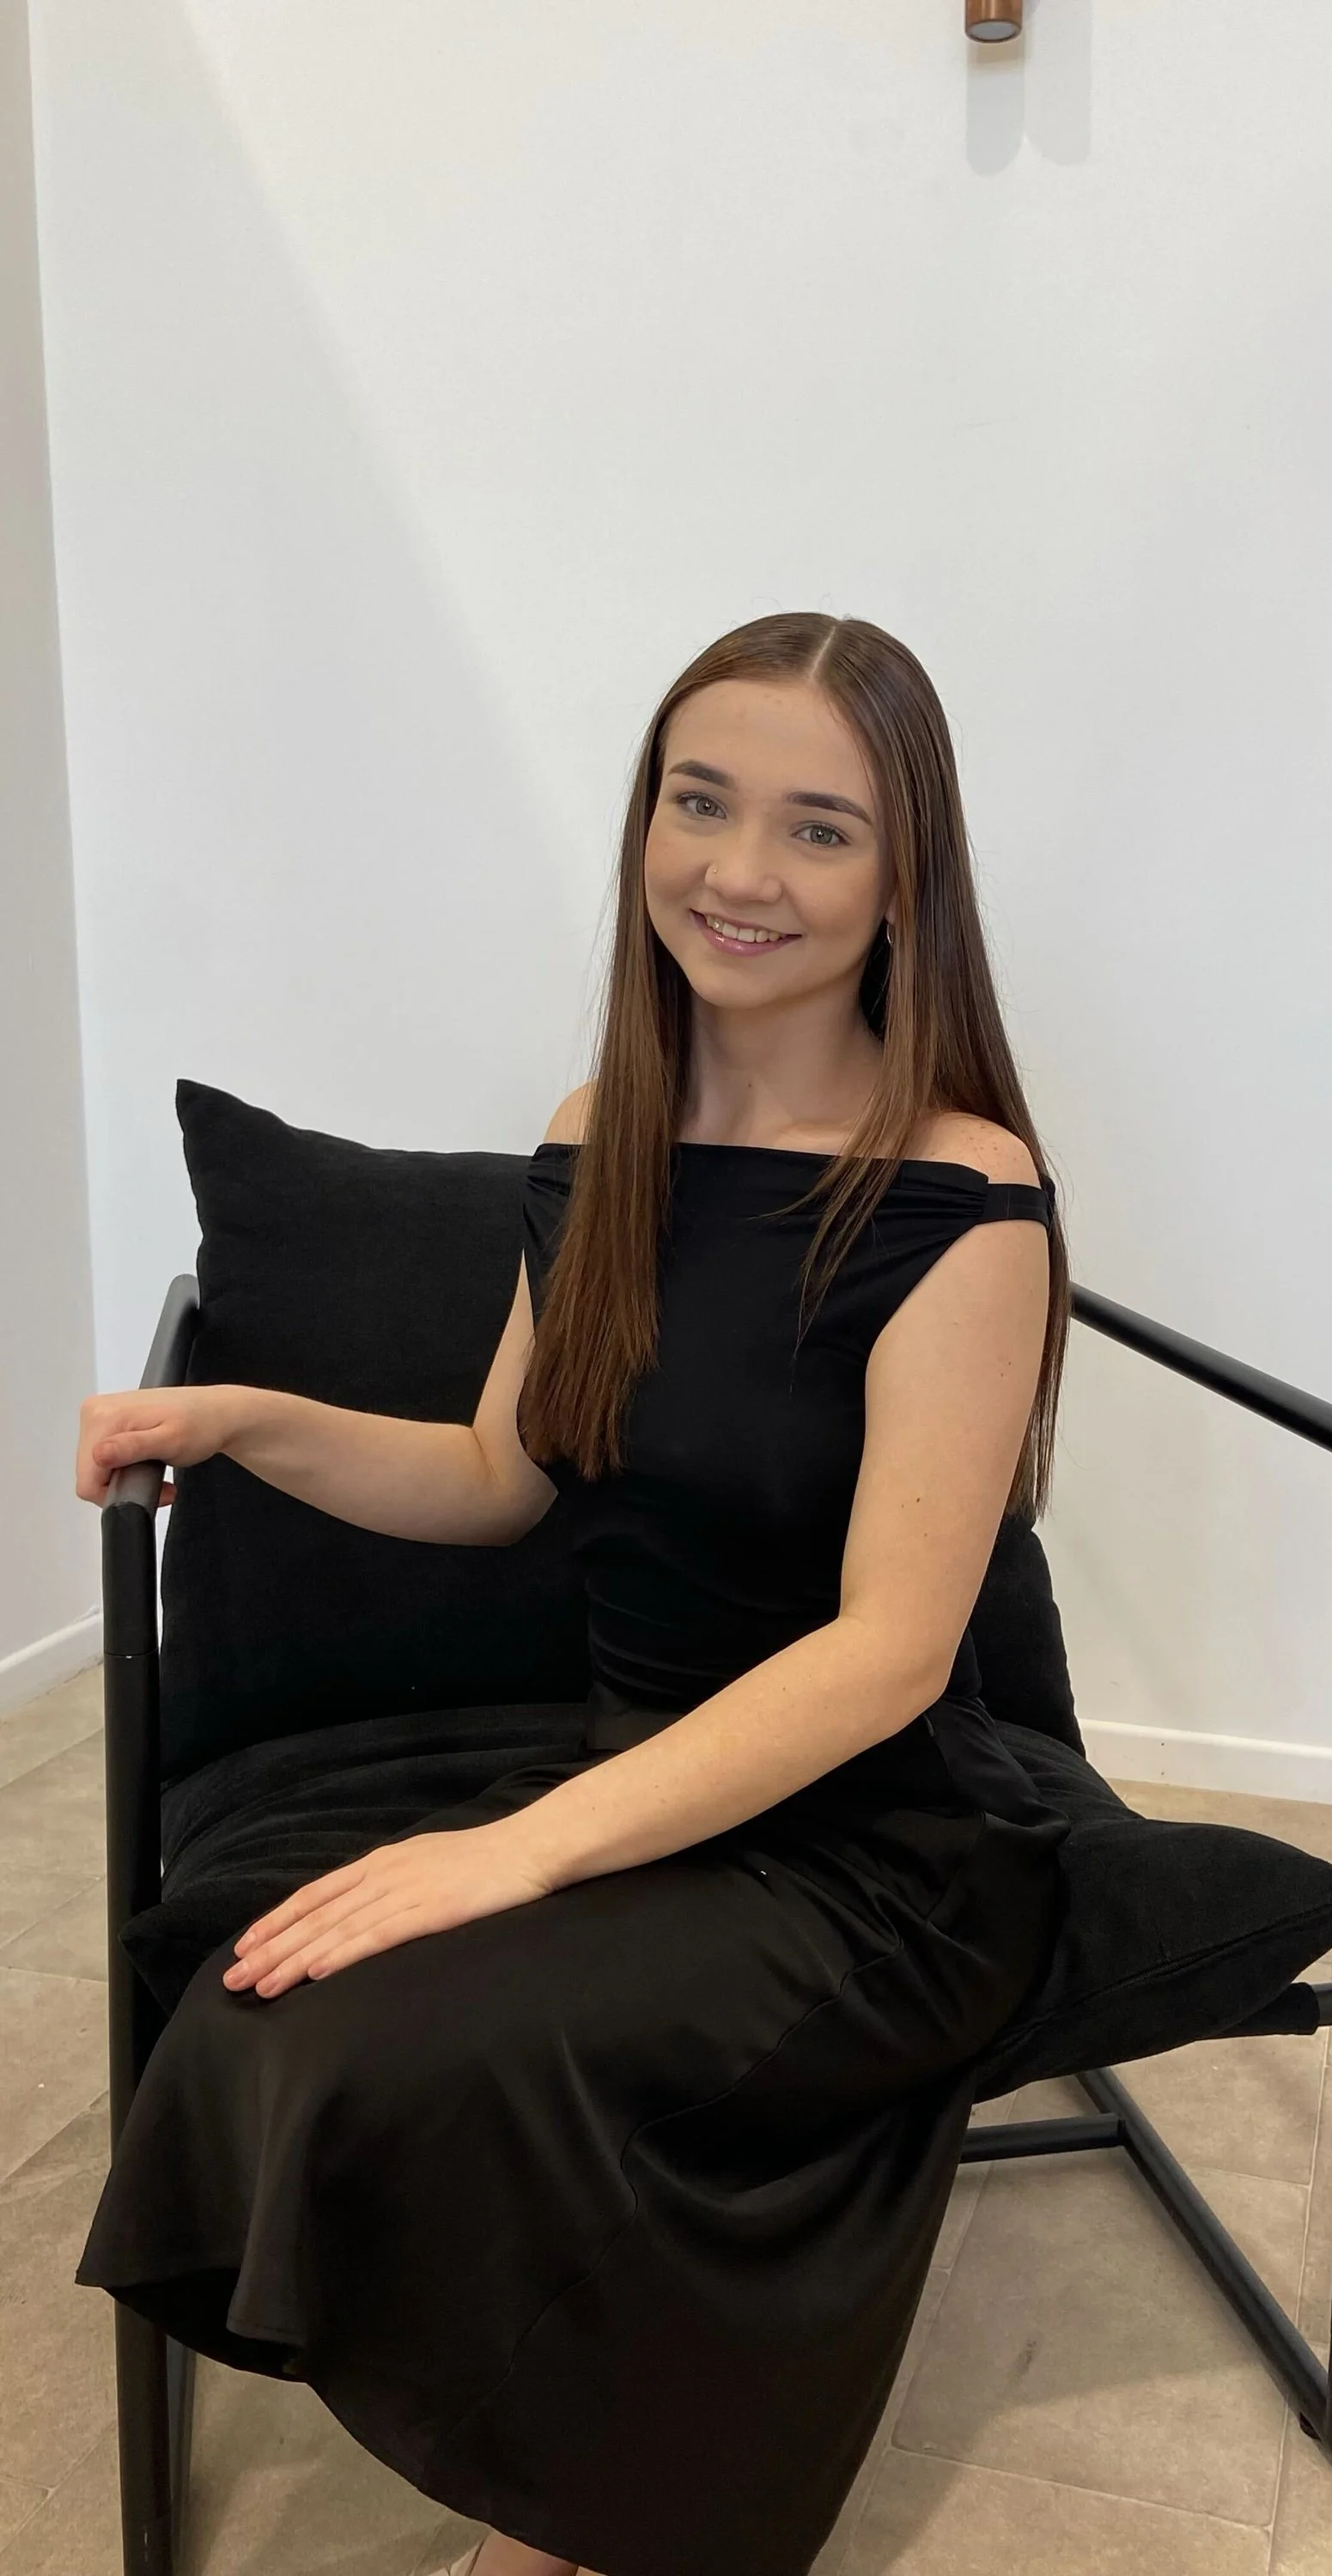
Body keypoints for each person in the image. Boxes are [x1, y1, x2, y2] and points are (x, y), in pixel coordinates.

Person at [75, 611, 1072, 2576]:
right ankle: (594, 2476)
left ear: (902, 889)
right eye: (699, 804)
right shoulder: (594, 1138)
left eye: (817, 829)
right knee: (278, 2011)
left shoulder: (964, 1201)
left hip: (873, 1853)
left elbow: (888, 1658)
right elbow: (493, 1475)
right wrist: (254, 1413)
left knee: (382, 2035)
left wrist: (509, 1855)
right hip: (653, 1789)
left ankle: (600, 2519)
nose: (738, 873)